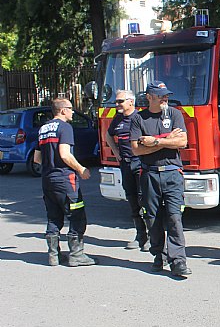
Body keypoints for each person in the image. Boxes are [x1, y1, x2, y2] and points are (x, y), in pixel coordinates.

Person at [130, 80, 191, 277]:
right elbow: (137, 149)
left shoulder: (174, 114)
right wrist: (167, 141)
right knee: (152, 218)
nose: (165, 98)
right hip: (149, 174)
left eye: (166, 95)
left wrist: (155, 140)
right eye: (160, 95)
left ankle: (178, 261)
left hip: (172, 172)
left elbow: (182, 141)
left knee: (174, 216)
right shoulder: (139, 119)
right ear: (149, 97)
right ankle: (159, 255)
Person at [34, 98, 96, 267]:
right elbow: (65, 154)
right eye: (70, 108)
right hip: (65, 180)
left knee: (53, 217)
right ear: (62, 111)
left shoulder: (43, 129)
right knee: (77, 216)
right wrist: (81, 169)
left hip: (47, 179)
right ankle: (76, 255)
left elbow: (37, 159)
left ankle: (53, 255)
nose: (72, 112)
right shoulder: (65, 127)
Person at [106, 89, 149, 251]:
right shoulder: (117, 119)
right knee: (132, 200)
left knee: (144, 200)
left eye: (120, 101)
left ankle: (152, 236)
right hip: (125, 164)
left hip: (140, 164)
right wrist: (116, 153)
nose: (117, 104)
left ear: (131, 102)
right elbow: (108, 136)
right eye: (116, 101)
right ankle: (140, 235)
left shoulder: (140, 118)